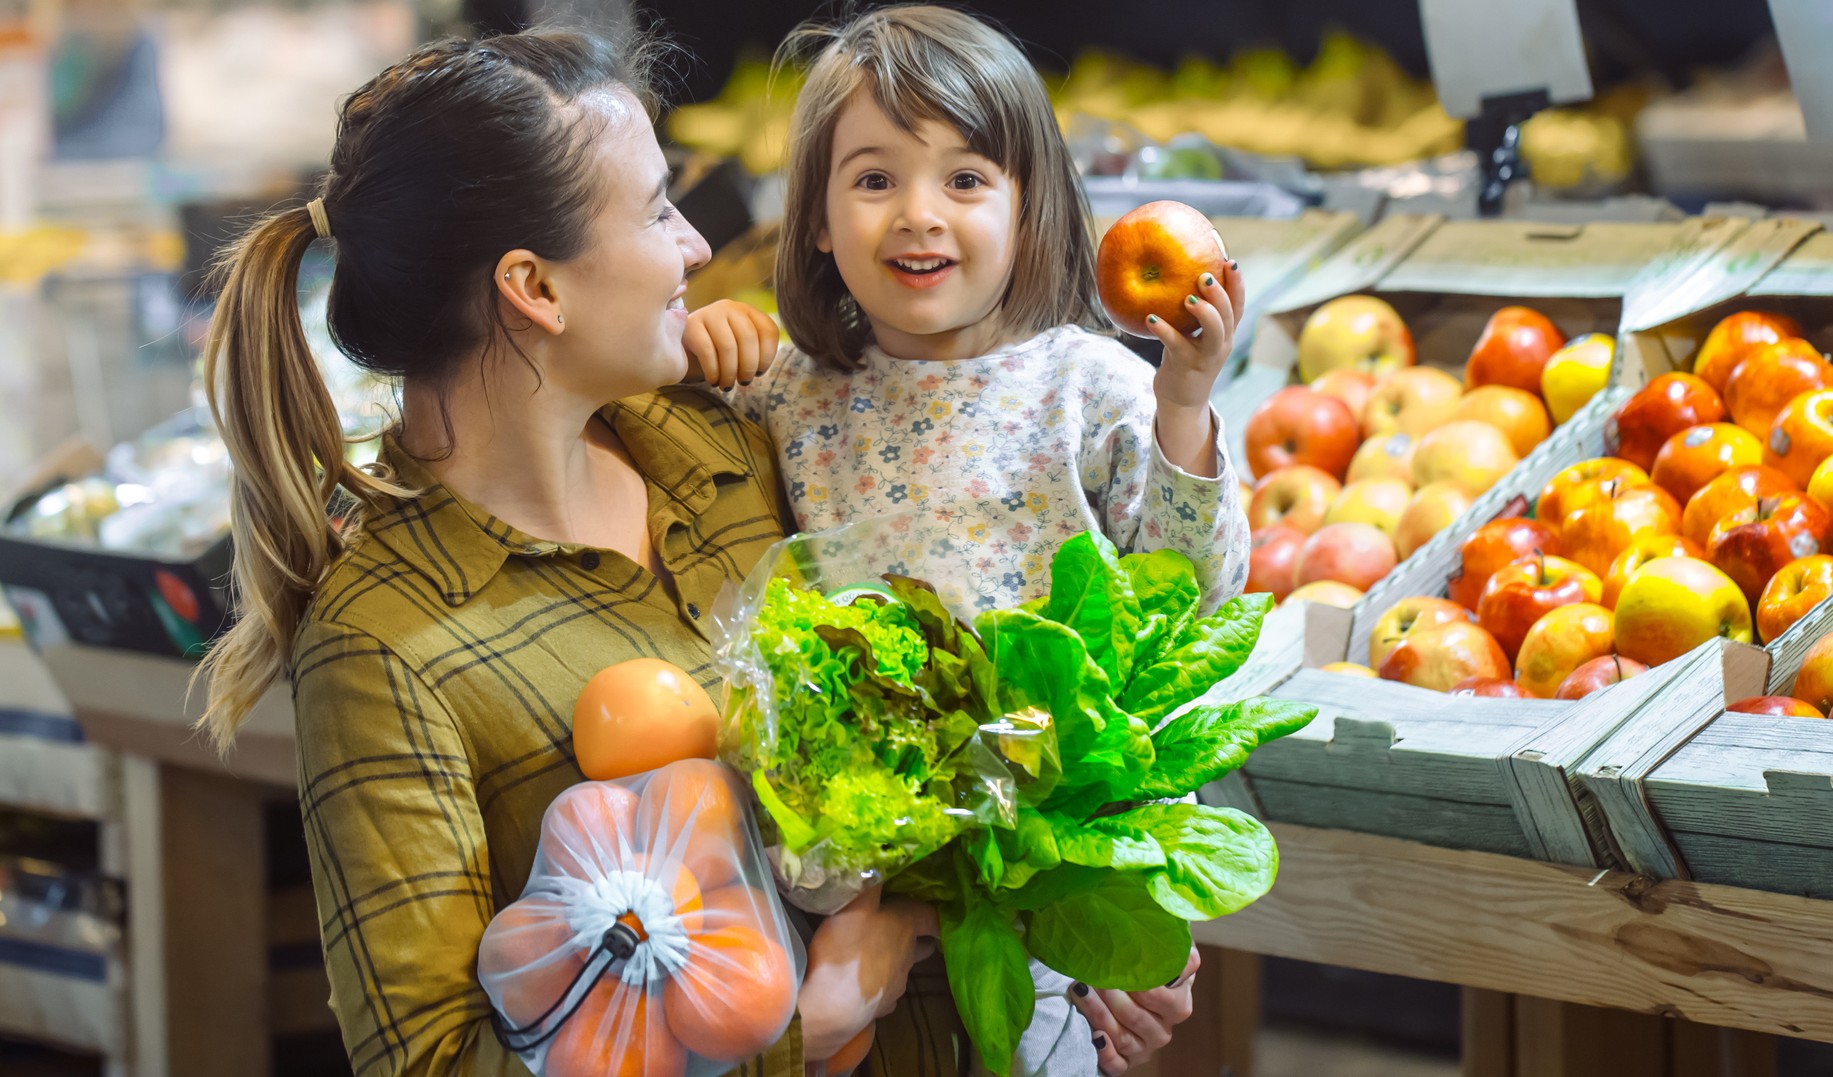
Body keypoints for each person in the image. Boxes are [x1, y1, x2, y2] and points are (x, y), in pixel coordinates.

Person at [193, 28, 950, 1077]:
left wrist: (1069, 946)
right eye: (654, 210)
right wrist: (801, 1034)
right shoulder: (385, 646)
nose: (694, 245)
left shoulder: (720, 444)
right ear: (534, 289)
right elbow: (431, 1064)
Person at [687, 7, 1242, 1075]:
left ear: (1032, 207)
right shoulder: (791, 391)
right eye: (874, 179)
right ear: (813, 219)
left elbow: (1199, 595)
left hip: (1037, 854)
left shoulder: (1093, 389)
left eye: (966, 180)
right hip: (851, 866)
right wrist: (706, 340)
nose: (917, 216)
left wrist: (1182, 407)